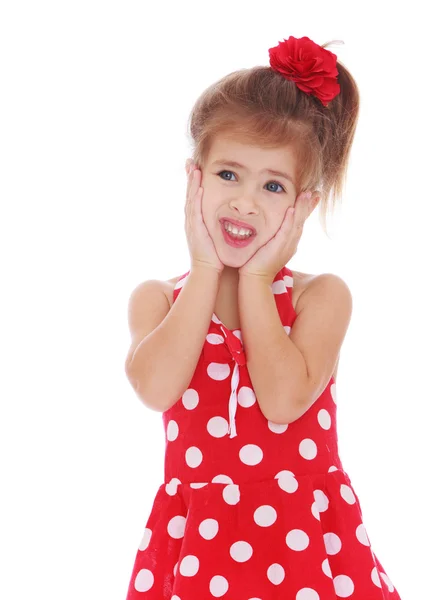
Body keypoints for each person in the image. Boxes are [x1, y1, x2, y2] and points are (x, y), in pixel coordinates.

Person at [124, 35, 401, 600]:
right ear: (193, 177)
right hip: (197, 547)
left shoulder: (317, 298)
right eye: (227, 175)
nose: (245, 202)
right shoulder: (157, 301)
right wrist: (206, 267)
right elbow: (155, 388)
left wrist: (255, 278)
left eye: (273, 186)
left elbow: (282, 399)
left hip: (305, 548)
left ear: (303, 205)